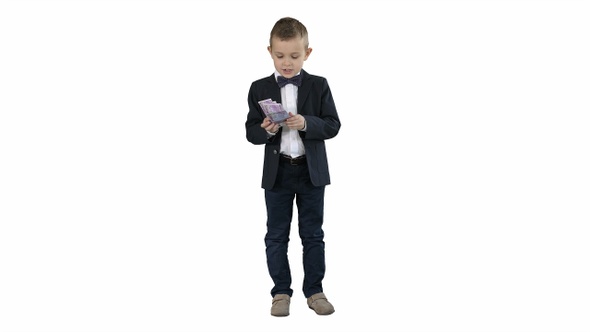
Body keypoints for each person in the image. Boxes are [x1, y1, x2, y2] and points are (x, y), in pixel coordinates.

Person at [245, 17, 341, 317]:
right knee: (276, 235)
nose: (287, 63)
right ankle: (280, 293)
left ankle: (314, 291)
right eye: (280, 55)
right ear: (270, 51)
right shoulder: (258, 87)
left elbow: (333, 125)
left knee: (312, 234)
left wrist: (306, 123)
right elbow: (251, 132)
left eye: (295, 56)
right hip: (278, 174)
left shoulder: (319, 84)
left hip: (311, 173)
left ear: (307, 53)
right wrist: (267, 129)